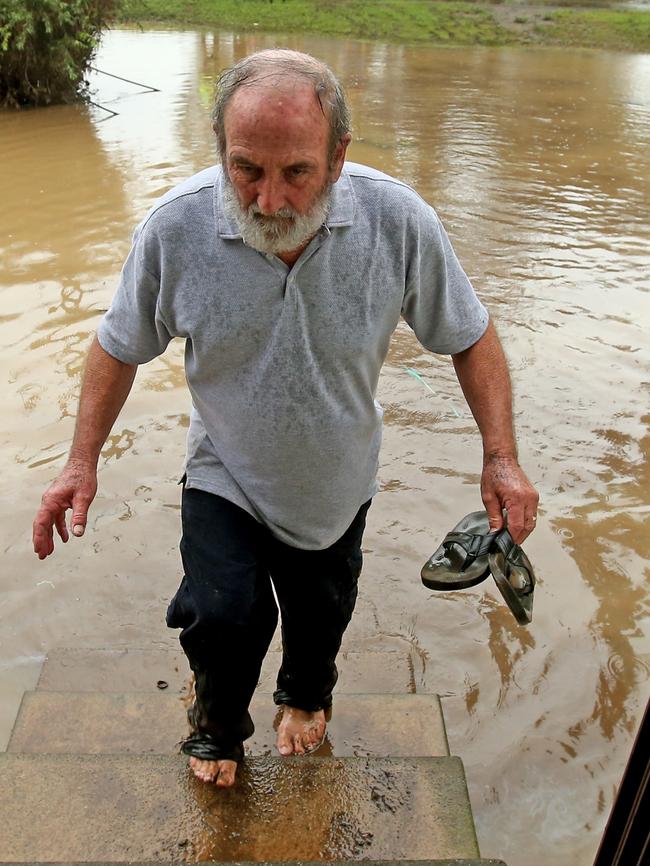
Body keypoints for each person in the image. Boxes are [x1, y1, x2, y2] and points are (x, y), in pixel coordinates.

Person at [32, 49, 539, 788]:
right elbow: (118, 346)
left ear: (338, 157)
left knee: (319, 616)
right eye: (246, 169)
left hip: (336, 475)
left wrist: (501, 456)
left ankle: (305, 696)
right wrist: (81, 462)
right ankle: (216, 723)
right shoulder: (176, 230)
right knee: (222, 613)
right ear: (220, 152)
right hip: (225, 468)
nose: (269, 200)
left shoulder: (398, 223)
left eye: (296, 172)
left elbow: (468, 335)